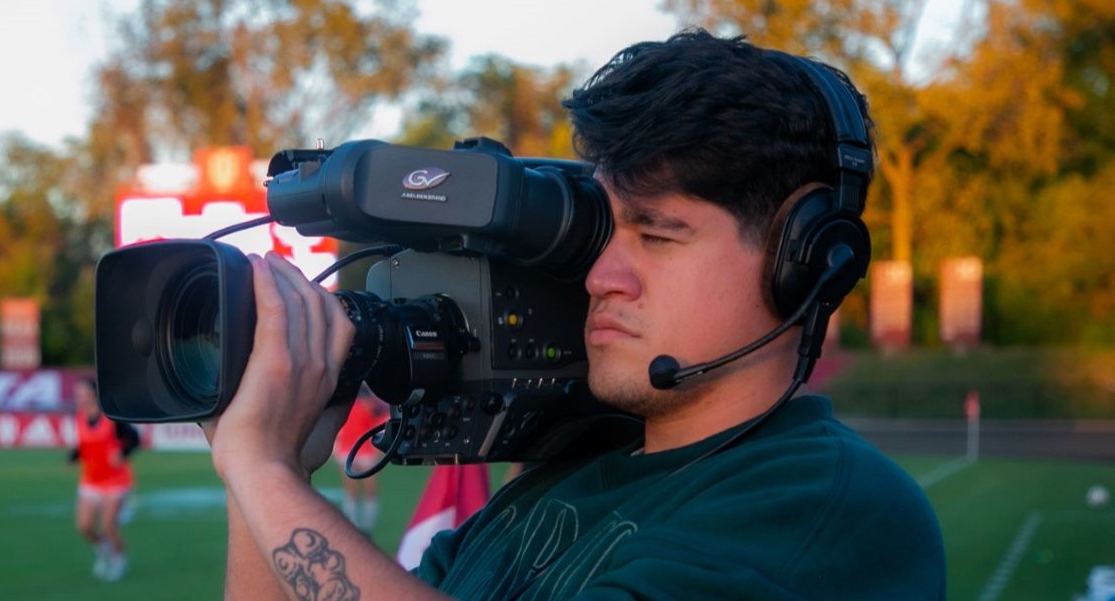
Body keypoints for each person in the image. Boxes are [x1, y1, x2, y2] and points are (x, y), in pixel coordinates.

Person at [201, 29, 946, 599]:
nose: (601, 275)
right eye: (605, 231)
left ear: (805, 260)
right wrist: (274, 462)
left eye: (656, 234)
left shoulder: (833, 505)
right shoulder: (548, 490)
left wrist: (262, 470)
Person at [70, 376, 140, 582]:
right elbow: (83, 445)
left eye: (82, 392)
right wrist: (72, 456)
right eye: (76, 393)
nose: (78, 397)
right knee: (84, 526)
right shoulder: (79, 417)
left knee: (108, 525)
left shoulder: (110, 417)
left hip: (115, 482)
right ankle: (103, 547)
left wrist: (123, 453)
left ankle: (119, 559)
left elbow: (133, 438)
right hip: (90, 480)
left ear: (93, 393)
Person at [332, 388, 387, 533]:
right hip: (347, 451)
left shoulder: (369, 405)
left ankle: (367, 527)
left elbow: (380, 424)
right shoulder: (348, 405)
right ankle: (353, 526)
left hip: (364, 451)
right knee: (352, 492)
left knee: (370, 491)